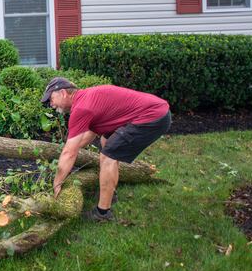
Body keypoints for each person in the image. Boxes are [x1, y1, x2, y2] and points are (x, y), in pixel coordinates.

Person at [41, 77, 171, 222]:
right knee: (106, 140)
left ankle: (102, 213)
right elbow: (88, 136)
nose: (51, 105)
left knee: (107, 156)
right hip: (157, 110)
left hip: (152, 116)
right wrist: (70, 150)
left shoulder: (81, 108)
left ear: (63, 93)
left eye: (51, 99)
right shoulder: (85, 98)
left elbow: (69, 153)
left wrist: (57, 183)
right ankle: (110, 193)